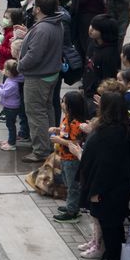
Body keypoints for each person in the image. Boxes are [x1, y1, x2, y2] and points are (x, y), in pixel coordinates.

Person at [78, 90, 130, 260]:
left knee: (111, 226)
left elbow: (105, 167)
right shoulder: (120, 128)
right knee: (113, 226)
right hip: (116, 188)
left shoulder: (111, 133)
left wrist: (96, 191)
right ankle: (112, 257)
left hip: (109, 190)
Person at [17, 0, 64, 162]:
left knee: (36, 113)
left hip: (38, 77)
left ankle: (41, 150)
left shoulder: (43, 29)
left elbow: (34, 56)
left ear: (38, 9)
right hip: (50, 74)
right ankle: (50, 143)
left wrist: (19, 65)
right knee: (46, 111)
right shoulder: (54, 24)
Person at [50, 90, 88, 223]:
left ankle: (72, 212)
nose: (61, 103)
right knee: (68, 183)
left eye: (64, 102)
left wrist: (59, 141)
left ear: (71, 106)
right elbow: (65, 131)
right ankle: (71, 206)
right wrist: (57, 130)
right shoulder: (67, 117)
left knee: (73, 186)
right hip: (65, 157)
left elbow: (75, 143)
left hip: (72, 159)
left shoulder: (76, 123)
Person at [0, 59, 27, 150]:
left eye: (5, 69)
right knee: (10, 124)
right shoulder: (11, 80)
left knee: (10, 125)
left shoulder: (12, 83)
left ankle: (11, 144)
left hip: (11, 107)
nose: (3, 70)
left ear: (9, 72)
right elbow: (5, 88)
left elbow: (4, 93)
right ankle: (11, 140)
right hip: (9, 106)